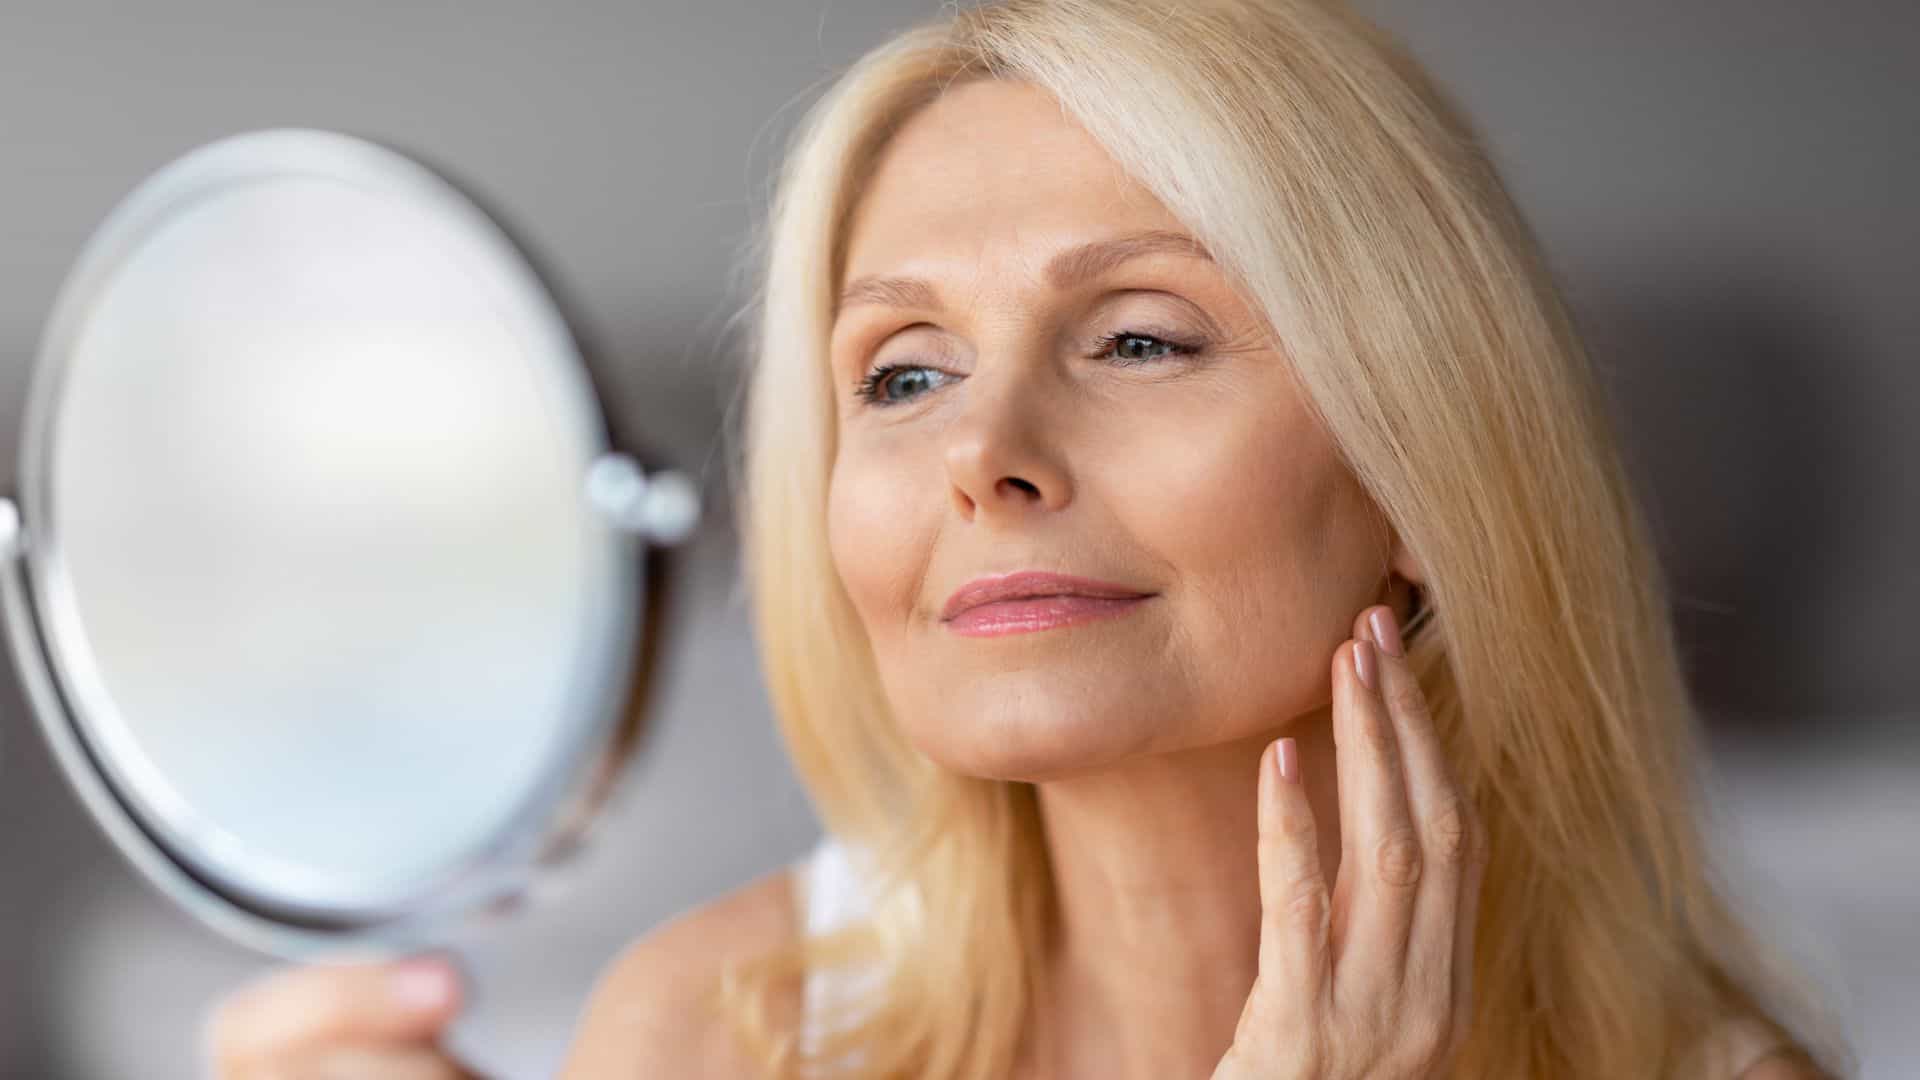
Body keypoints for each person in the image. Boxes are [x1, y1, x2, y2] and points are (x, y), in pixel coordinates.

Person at [203, 1, 1850, 1077]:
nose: (982, 457)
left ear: (1421, 464)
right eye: (903, 374)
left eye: (1141, 340)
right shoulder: (718, 1037)